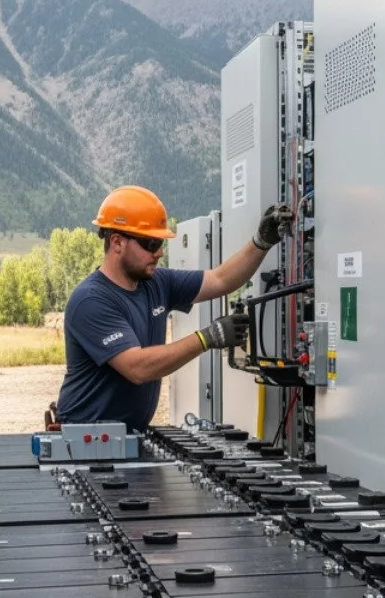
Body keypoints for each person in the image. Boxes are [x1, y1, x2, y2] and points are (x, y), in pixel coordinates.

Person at [55, 185, 293, 432]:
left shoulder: (157, 282)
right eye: (150, 243)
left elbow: (221, 280)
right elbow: (137, 368)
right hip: (83, 441)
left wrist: (261, 242)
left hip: (126, 436)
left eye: (160, 243)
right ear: (117, 242)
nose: (158, 253)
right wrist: (207, 338)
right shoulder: (91, 300)